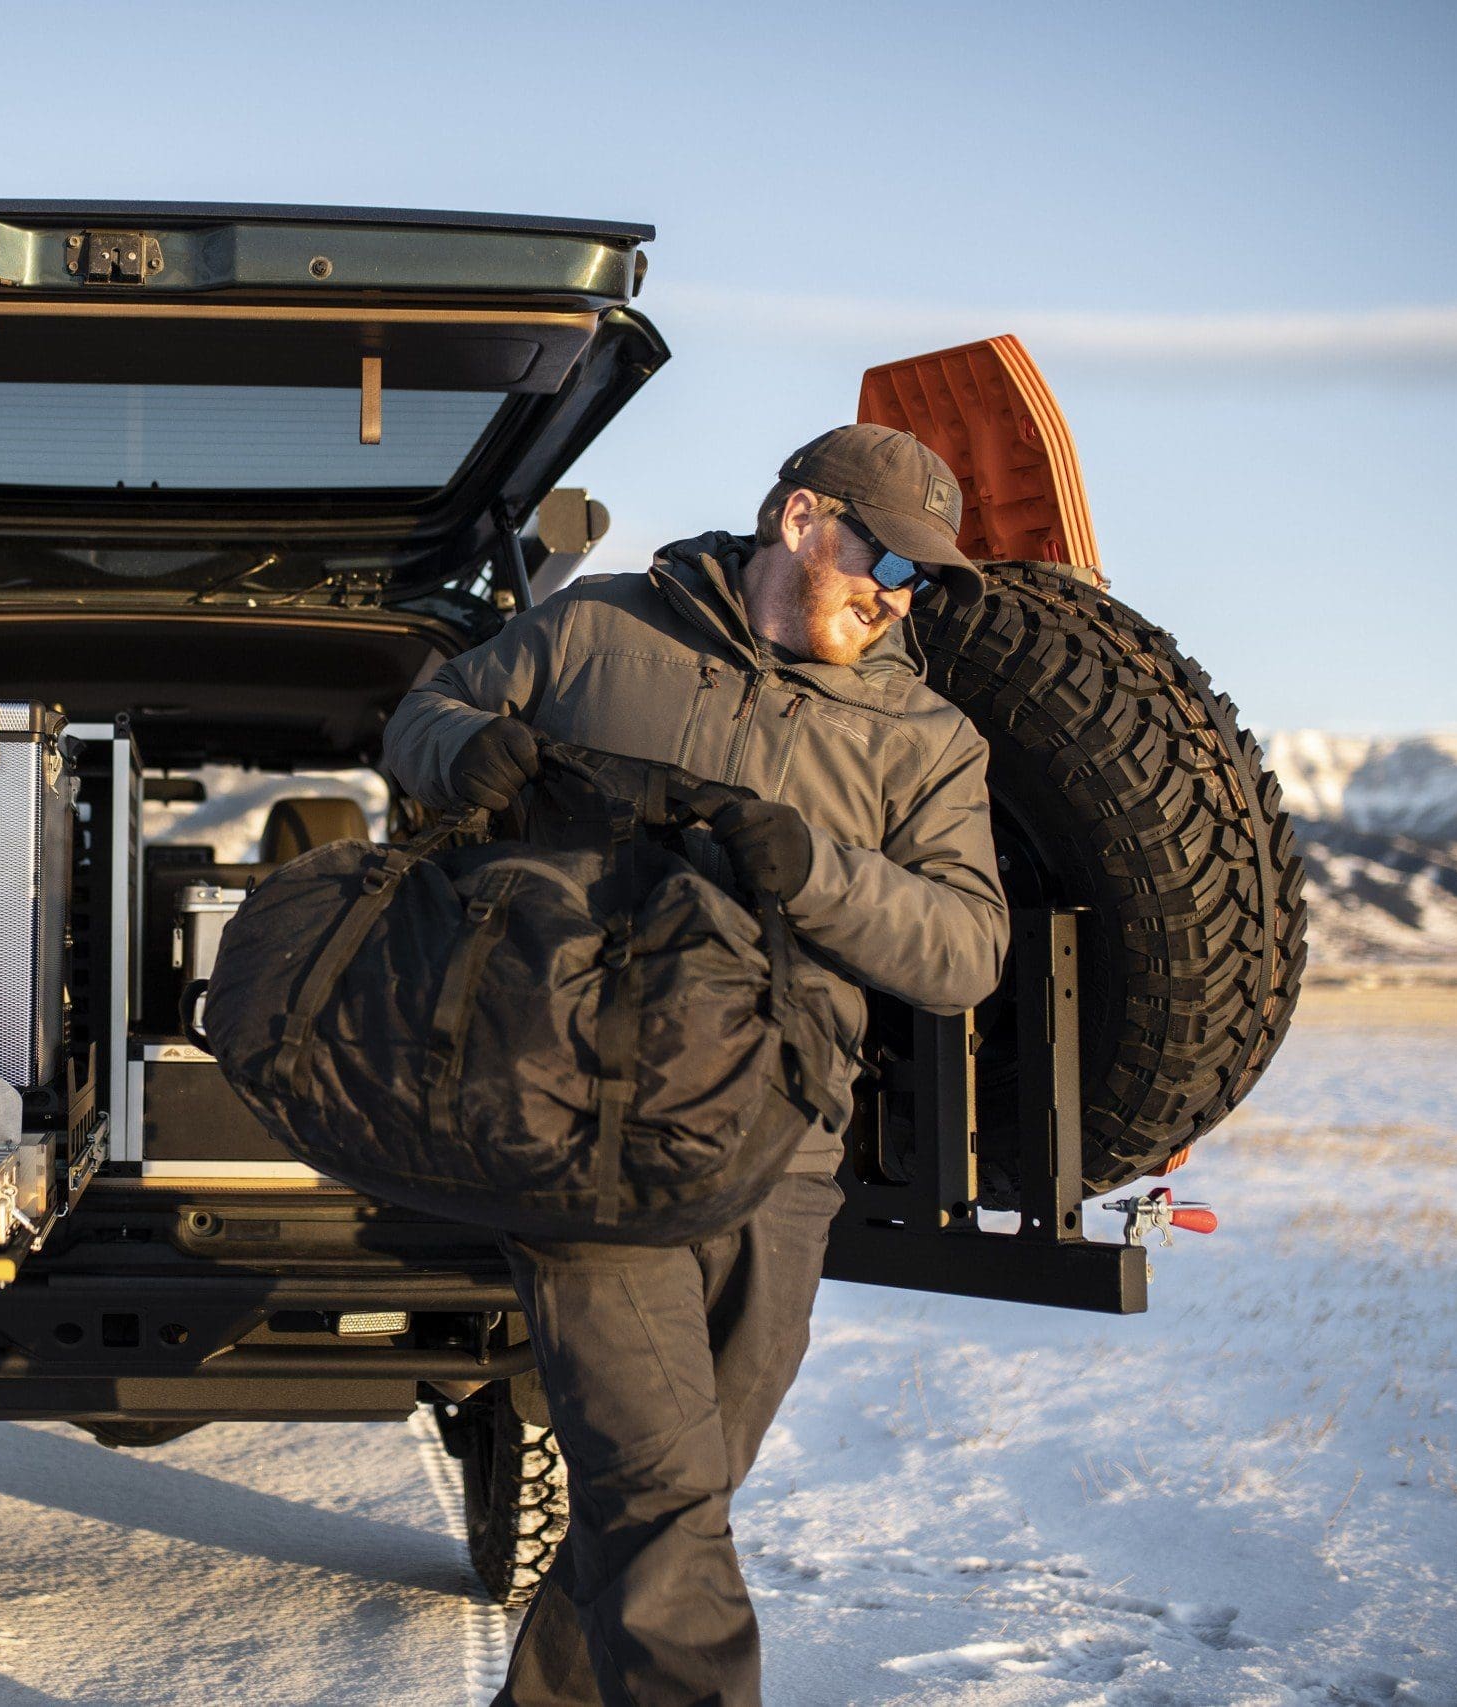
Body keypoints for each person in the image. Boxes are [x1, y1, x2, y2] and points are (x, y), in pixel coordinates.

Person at [381, 424, 1010, 1706]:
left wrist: (813, 869)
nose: (897, 596)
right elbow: (423, 712)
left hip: (780, 1151)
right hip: (576, 1124)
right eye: (885, 557)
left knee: (678, 1483)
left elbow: (965, 949)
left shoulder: (927, 740)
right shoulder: (604, 631)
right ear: (800, 520)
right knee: (662, 1491)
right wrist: (462, 751)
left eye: (924, 582)